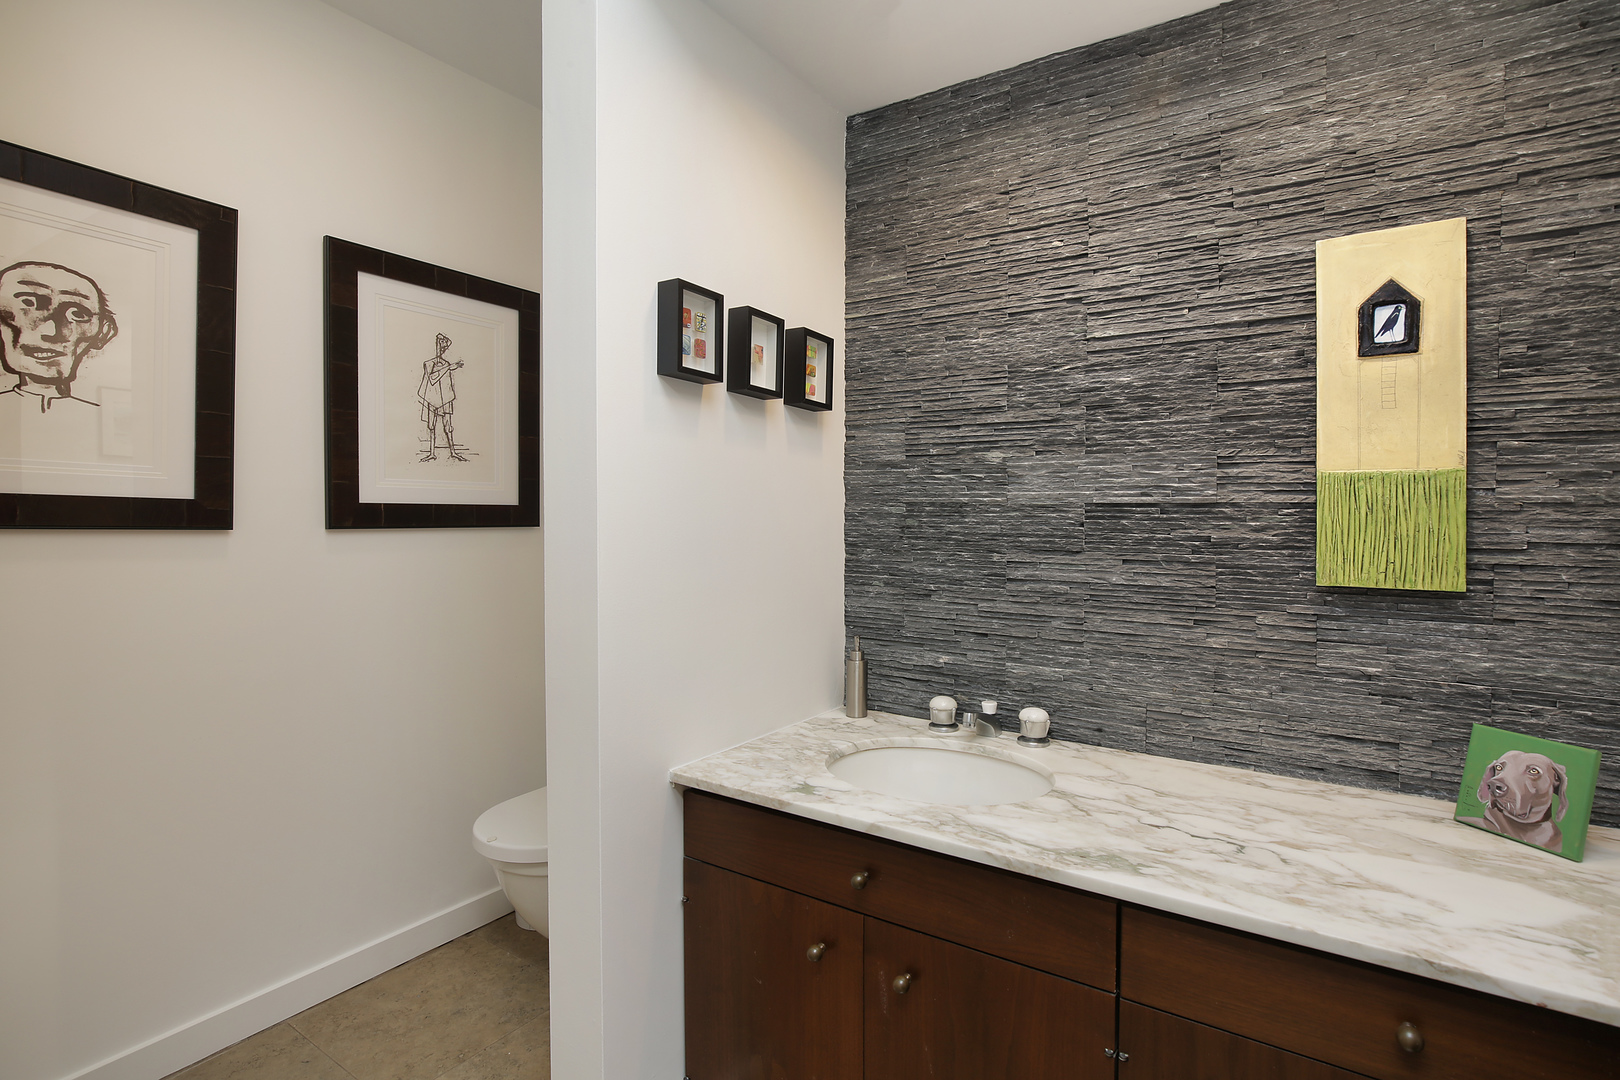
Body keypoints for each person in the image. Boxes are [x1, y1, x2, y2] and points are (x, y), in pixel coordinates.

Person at [0, 261, 119, 412]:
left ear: (104, 332)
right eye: (28, 303)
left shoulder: (99, 415)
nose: (50, 331)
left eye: (77, 314)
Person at [417, 331, 466, 461]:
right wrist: (449, 368)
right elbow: (432, 378)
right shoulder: (429, 364)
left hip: (445, 399)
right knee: (431, 426)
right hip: (432, 398)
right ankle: (432, 453)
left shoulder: (446, 364)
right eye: (441, 344)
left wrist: (450, 367)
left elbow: (447, 384)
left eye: (444, 346)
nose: (442, 348)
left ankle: (453, 452)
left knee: (448, 427)